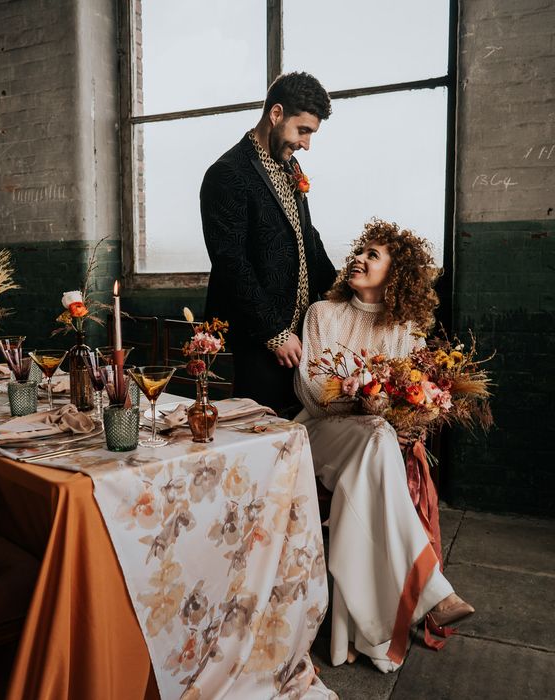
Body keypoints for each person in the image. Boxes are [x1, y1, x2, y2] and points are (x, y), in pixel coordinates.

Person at [294, 219, 475, 672]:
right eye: (360, 251)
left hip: (371, 444)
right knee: (377, 438)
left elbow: (403, 404)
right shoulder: (323, 313)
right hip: (319, 434)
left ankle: (356, 633)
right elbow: (313, 395)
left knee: (373, 453)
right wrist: (364, 397)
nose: (359, 258)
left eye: (373, 255)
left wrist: (402, 413)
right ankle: (431, 590)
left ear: (396, 274)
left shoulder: (406, 329)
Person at [201, 71, 336, 417]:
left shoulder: (291, 166)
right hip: (256, 342)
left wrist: (340, 291)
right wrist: (274, 333)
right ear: (276, 115)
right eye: (302, 130)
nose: (306, 143)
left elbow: (307, 236)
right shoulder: (226, 174)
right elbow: (231, 263)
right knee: (261, 440)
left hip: (302, 336)